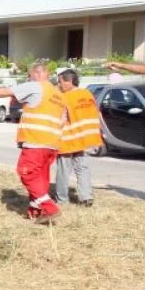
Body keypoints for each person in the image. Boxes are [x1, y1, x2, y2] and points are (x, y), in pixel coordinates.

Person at [0, 62, 65, 222]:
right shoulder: (57, 94)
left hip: (36, 141)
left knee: (27, 173)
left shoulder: (36, 86)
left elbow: (7, 91)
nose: (28, 78)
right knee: (41, 177)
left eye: (29, 75)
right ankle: (36, 211)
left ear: (38, 74)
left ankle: (49, 207)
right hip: (52, 143)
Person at [54, 69, 102, 207]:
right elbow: (96, 112)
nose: (59, 85)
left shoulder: (65, 97)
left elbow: (61, 119)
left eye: (60, 81)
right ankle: (86, 197)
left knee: (64, 170)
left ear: (69, 81)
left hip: (68, 139)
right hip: (83, 138)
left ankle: (62, 200)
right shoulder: (87, 93)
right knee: (82, 167)